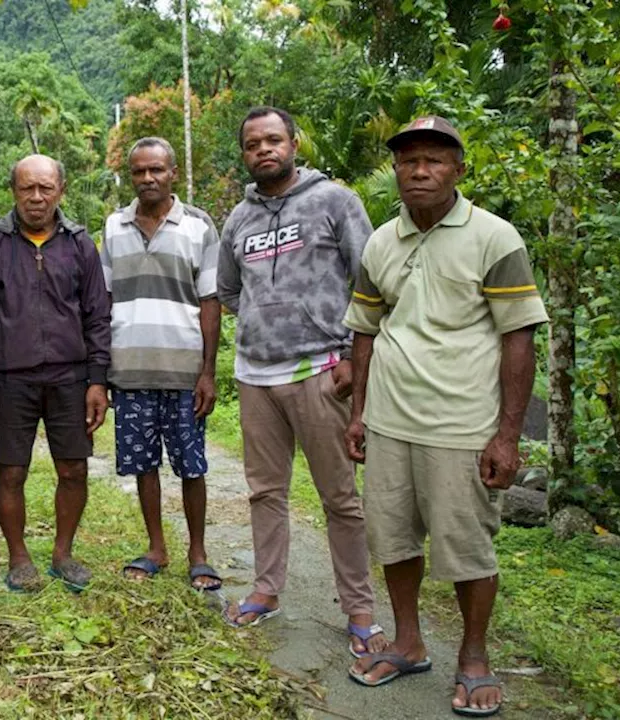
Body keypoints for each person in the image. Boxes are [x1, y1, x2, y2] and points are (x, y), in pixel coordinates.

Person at [344, 116, 546, 717]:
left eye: (434, 159)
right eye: (409, 161)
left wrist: (507, 435)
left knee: (467, 549)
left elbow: (519, 338)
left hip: (462, 425)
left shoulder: (494, 238)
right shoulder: (381, 241)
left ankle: (475, 658)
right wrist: (358, 414)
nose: (419, 170)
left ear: (459, 169)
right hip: (389, 421)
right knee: (394, 539)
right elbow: (365, 332)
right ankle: (408, 642)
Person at [217, 106, 387, 657]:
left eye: (273, 140)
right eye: (252, 144)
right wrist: (264, 323)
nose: (263, 150)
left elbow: (369, 280)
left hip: (322, 371)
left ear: (293, 143)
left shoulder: (334, 200)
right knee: (265, 492)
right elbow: (229, 292)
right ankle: (266, 589)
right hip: (255, 376)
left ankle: (359, 607)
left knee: (340, 496)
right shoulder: (237, 220)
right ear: (244, 153)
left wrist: (349, 355)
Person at [0, 154, 111, 593]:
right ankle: (18, 557)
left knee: (73, 470)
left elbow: (97, 315)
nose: (36, 197)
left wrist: (97, 379)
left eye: (45, 188)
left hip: (70, 379)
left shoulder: (80, 243)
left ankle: (63, 554)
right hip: (11, 379)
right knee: (11, 472)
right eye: (27, 188)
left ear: (60, 191)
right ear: (14, 190)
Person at [102, 137, 222, 591]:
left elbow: (210, 301)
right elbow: (105, 299)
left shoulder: (198, 225)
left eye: (156, 170)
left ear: (173, 173)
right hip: (130, 372)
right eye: (139, 172)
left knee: (192, 465)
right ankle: (156, 547)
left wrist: (208, 372)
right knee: (143, 464)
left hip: (185, 373)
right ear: (131, 176)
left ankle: (198, 552)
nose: (147, 179)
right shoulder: (113, 226)